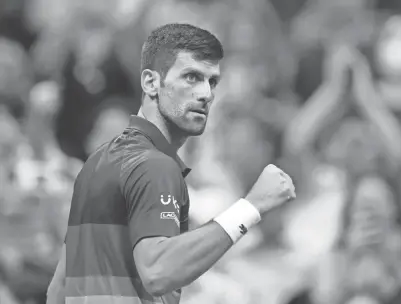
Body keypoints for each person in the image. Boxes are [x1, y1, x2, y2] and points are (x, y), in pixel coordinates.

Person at [46, 23, 296, 304]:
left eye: (211, 82)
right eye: (190, 77)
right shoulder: (152, 165)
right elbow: (157, 272)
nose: (205, 94)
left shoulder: (100, 162)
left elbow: (59, 289)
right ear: (151, 82)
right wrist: (252, 206)